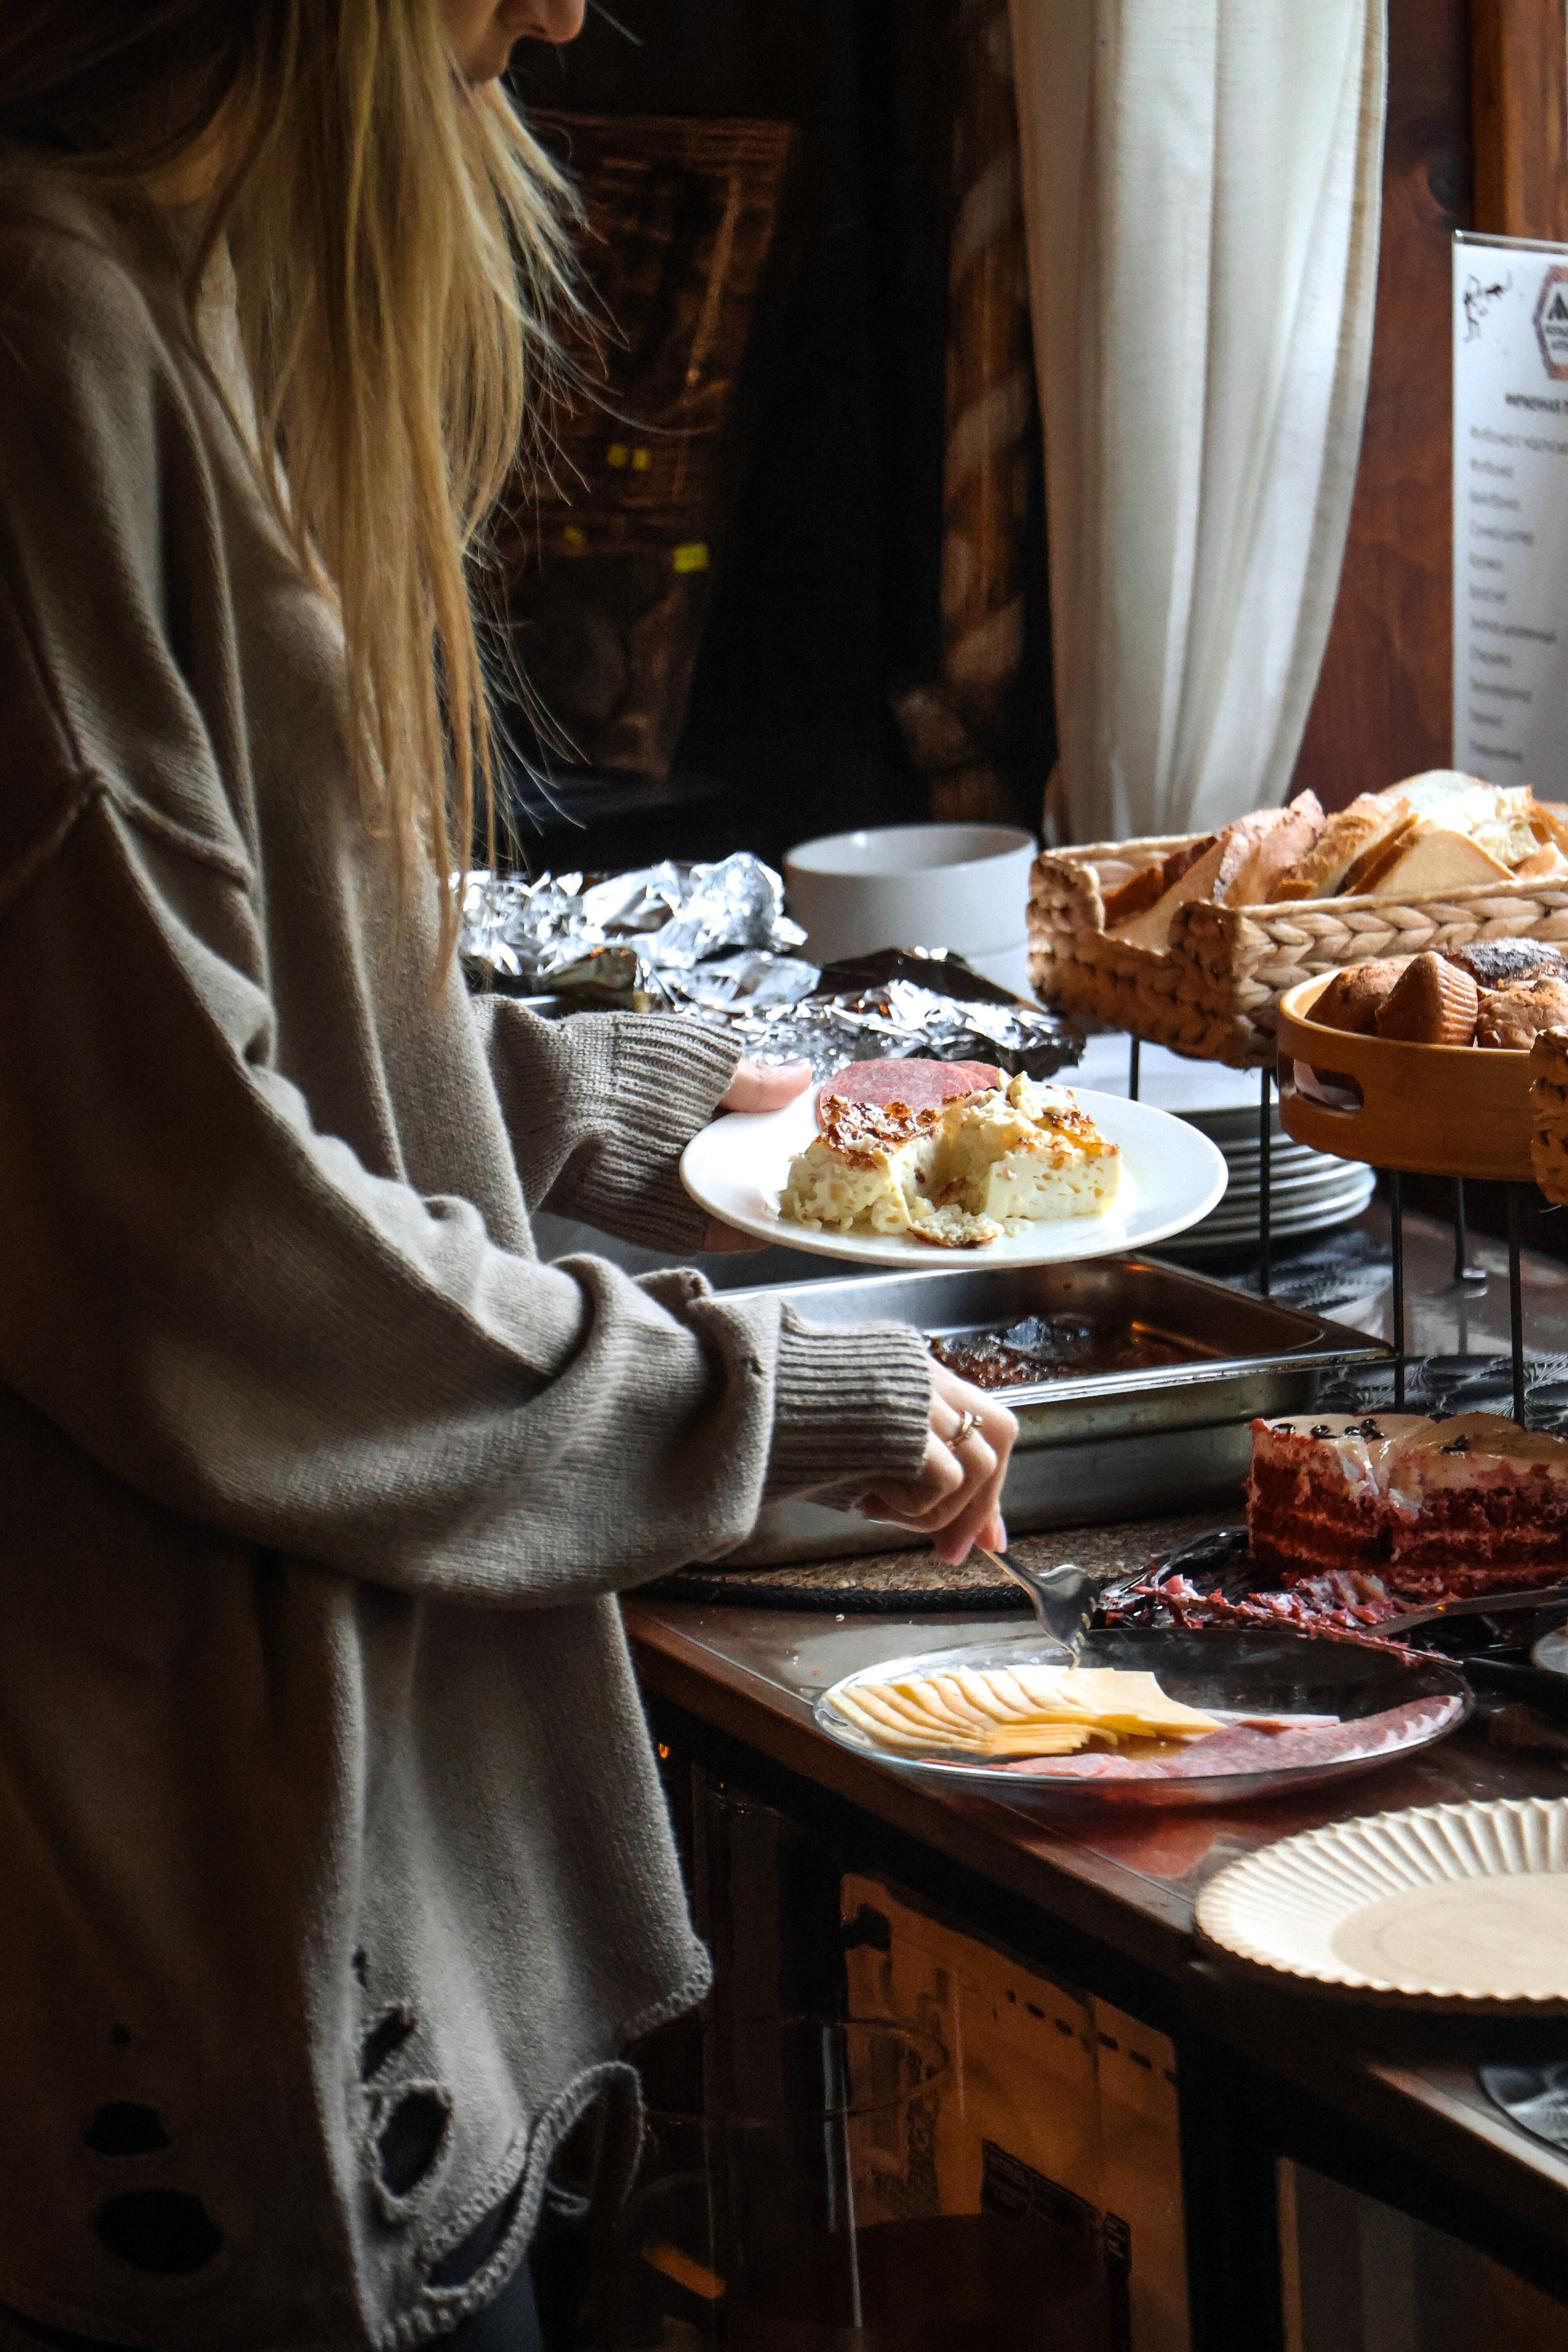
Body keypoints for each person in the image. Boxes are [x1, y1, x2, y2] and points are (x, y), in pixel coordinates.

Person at [0, 2, 1017, 2346]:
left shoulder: (158, 291)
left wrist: (641, 1105)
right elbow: (182, 1245)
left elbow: (190, 1037)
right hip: (180, 1892)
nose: (566, 6)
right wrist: (750, 1416)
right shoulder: (44, 328)